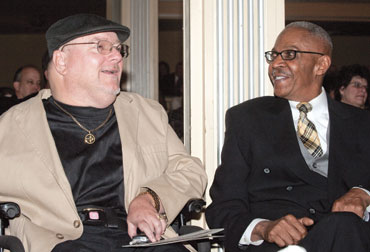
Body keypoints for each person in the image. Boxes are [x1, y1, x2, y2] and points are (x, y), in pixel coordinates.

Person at [0, 14, 206, 252]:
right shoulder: (12, 127)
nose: (117, 56)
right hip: (62, 242)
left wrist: (150, 199)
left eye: (119, 49)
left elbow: (190, 171)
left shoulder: (146, 113)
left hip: (141, 239)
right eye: (101, 47)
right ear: (61, 61)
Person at [206, 21, 370, 252]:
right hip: (277, 247)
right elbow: (223, 207)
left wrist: (363, 193)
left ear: (321, 64)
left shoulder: (362, 123)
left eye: (289, 55)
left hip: (348, 238)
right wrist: (263, 228)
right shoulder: (247, 119)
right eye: (273, 56)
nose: (275, 64)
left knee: (345, 224)